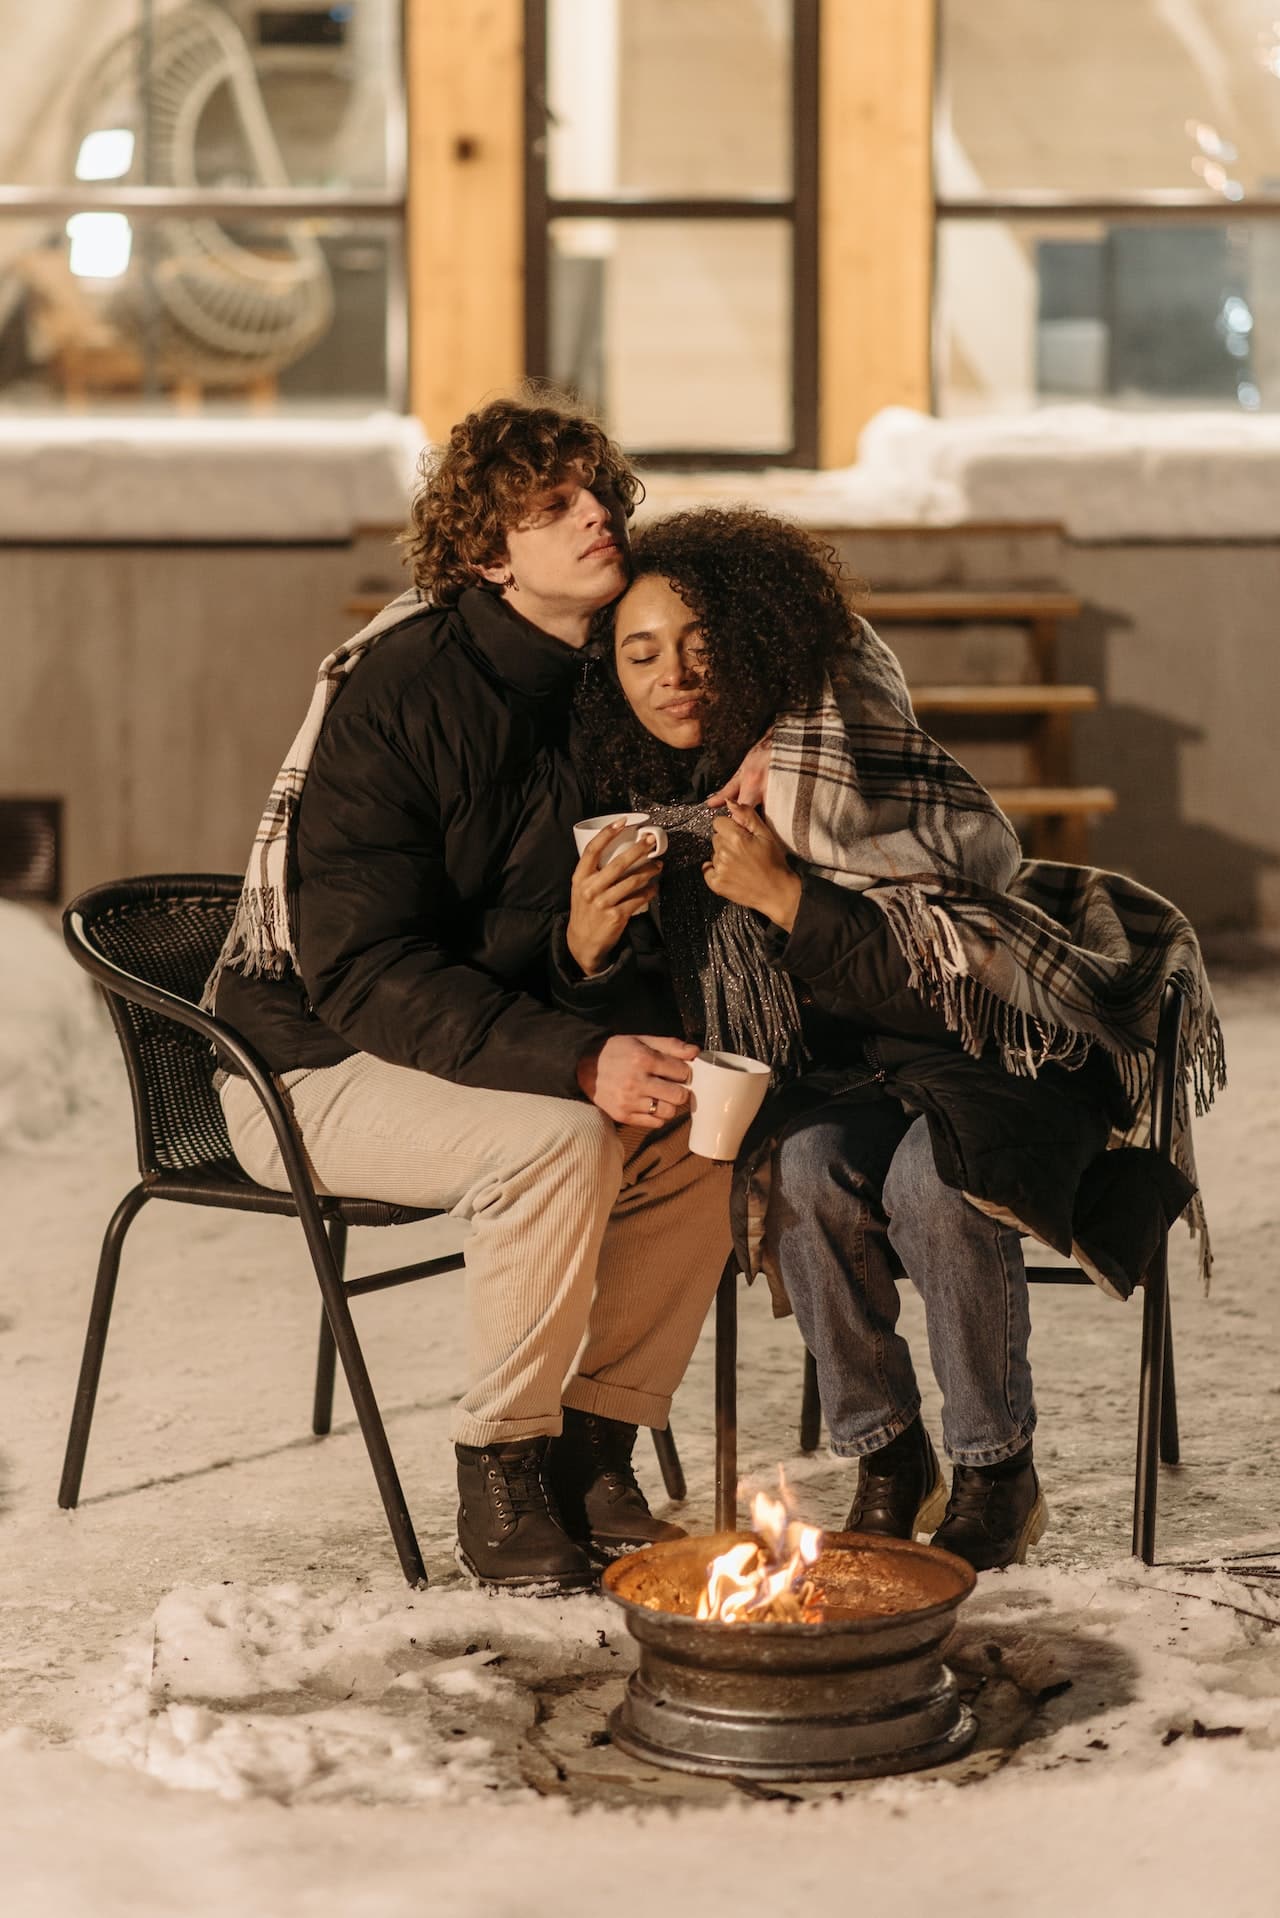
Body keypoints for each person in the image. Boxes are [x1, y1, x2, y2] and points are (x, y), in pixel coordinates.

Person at [572, 506, 1221, 1572]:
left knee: (931, 1180)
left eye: (701, 644)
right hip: (846, 1085)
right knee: (808, 1169)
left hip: (991, 1068)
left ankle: (993, 1467)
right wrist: (590, 940)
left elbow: (941, 989)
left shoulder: (847, 761)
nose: (673, 675)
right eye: (640, 652)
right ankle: (887, 1453)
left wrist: (792, 902)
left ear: (754, 646)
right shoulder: (650, 816)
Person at [203, 397, 733, 1593]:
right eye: (553, 508)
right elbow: (361, 968)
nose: (596, 514)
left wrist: (591, 956)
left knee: (699, 1124)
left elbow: (539, 937)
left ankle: (597, 1449)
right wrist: (577, 1056)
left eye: (596, 491)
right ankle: (500, 1469)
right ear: (489, 557)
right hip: (306, 1063)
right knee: (553, 1138)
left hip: (464, 1045)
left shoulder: (610, 681)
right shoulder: (401, 690)